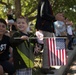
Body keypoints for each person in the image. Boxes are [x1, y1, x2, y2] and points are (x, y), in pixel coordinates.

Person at [35, 0, 56, 74]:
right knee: (47, 48)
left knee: (49, 48)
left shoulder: (44, 2)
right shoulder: (45, 1)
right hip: (45, 28)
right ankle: (45, 67)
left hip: (45, 27)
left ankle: (47, 65)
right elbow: (43, 14)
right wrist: (54, 17)